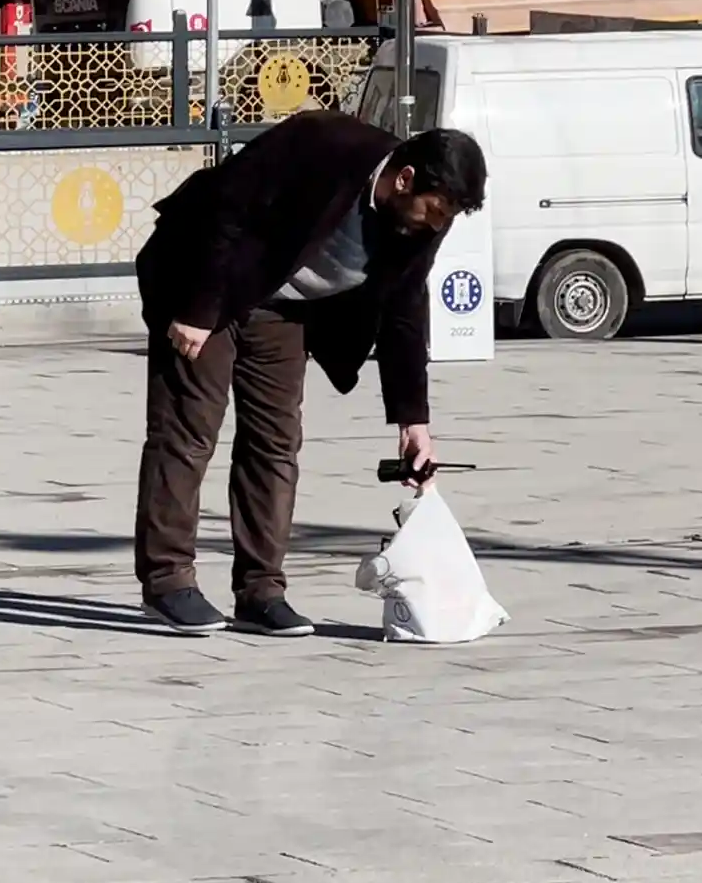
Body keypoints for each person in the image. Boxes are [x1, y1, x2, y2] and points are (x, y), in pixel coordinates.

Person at [133, 110, 488, 637]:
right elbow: (225, 211)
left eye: (446, 218)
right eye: (434, 211)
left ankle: (261, 591)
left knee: (276, 444)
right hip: (206, 283)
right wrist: (198, 309)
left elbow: (405, 309)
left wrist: (413, 421)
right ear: (405, 178)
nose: (435, 226)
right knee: (188, 432)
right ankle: (168, 583)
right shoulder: (322, 142)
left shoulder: (422, 221)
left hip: (286, 310)